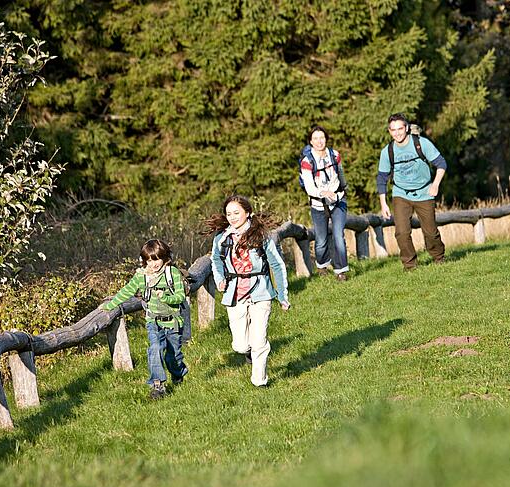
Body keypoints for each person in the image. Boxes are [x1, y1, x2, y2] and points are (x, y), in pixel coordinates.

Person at [204, 195, 290, 387]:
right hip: (234, 294)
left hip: (261, 292)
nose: (232, 217)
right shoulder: (222, 238)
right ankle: (249, 353)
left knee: (259, 341)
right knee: (240, 345)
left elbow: (277, 265)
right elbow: (215, 260)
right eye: (229, 214)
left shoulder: (261, 236)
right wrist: (219, 279)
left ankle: (259, 381)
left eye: (236, 213)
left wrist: (282, 296)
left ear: (248, 212)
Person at [102, 239, 190, 400]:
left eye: (156, 259)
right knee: (154, 349)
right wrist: (110, 305)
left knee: (173, 356)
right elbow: (127, 290)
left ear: (164, 257)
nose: (153, 264)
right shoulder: (141, 276)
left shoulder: (172, 273)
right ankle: (158, 385)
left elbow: (180, 296)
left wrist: (166, 298)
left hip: (173, 322)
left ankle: (179, 374)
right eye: (148, 260)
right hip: (153, 321)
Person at [377, 113, 448, 271]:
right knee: (401, 232)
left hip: (424, 192)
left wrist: (435, 184)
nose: (397, 133)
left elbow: (441, 163)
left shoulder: (421, 144)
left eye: (400, 129)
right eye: (393, 130)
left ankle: (438, 257)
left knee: (430, 232)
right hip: (401, 193)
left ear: (407, 128)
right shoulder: (387, 152)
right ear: (389, 131)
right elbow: (382, 178)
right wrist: (383, 203)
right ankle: (410, 265)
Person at [299, 125, 350, 281]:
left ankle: (341, 271)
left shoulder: (334, 155)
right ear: (310, 142)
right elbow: (309, 188)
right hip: (318, 205)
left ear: (326, 139)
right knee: (321, 240)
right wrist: (323, 193)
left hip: (338, 201)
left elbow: (340, 172)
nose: (319, 141)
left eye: (322, 138)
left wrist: (343, 188)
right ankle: (322, 265)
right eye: (315, 139)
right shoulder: (307, 162)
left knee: (338, 236)